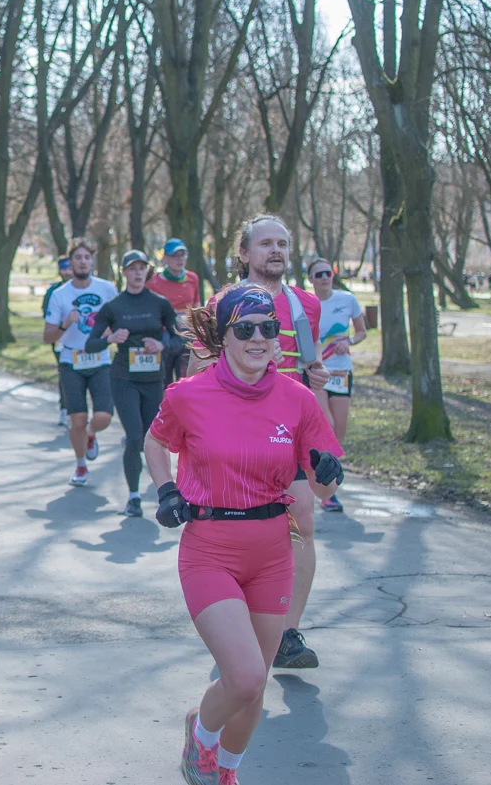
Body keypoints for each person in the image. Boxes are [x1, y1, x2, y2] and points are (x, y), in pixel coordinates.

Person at [144, 283, 343, 785]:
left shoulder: (297, 400)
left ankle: (225, 772)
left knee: (253, 688)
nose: (259, 337)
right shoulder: (189, 395)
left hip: (274, 550)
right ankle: (202, 734)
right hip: (210, 548)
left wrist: (326, 469)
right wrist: (167, 489)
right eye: (246, 328)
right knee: (247, 675)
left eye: (268, 328)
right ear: (223, 336)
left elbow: (322, 487)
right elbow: (154, 440)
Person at [195, 214, 330, 669]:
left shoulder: (305, 305)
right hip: (237, 432)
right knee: (246, 527)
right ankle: (240, 617)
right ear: (244, 253)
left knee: (302, 522)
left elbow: (311, 369)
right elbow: (197, 373)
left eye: (283, 244)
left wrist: (318, 387)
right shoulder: (221, 303)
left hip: (292, 427)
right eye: (266, 243)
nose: (276, 251)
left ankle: (287, 632)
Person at [86, 249, 182, 516]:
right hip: (124, 379)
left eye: (142, 268)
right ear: (125, 272)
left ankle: (161, 492)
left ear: (147, 272)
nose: (138, 272)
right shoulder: (113, 307)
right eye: (132, 268)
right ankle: (134, 496)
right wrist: (110, 338)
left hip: (154, 380)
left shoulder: (160, 304)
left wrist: (161, 344)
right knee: (135, 436)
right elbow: (90, 343)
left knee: (152, 439)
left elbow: (178, 340)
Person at [43, 238, 118, 486]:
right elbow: (47, 337)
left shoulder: (107, 289)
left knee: (104, 417)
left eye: (87, 257)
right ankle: (81, 466)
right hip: (71, 360)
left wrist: (112, 333)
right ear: (70, 262)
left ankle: (91, 434)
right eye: (78, 258)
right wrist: (67, 323)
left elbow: (119, 321)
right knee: (76, 419)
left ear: (92, 261)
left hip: (100, 359)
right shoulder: (60, 295)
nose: (83, 262)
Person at [309, 257, 366, 512]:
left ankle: (328, 486)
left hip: (342, 372)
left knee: (339, 432)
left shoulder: (347, 300)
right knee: (327, 426)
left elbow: (362, 331)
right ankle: (326, 493)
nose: (324, 277)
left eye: (327, 273)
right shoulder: (306, 305)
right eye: (318, 274)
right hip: (318, 373)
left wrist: (350, 342)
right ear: (311, 279)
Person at [147, 238, 201, 385]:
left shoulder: (192, 278)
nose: (179, 259)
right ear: (165, 258)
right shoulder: (153, 281)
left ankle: (183, 406)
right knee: (164, 378)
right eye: (174, 256)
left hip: (187, 334)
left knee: (185, 378)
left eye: (183, 255)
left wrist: (198, 326)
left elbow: (196, 304)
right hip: (164, 335)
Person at [43, 257, 75, 426]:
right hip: (60, 341)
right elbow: (47, 317)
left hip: (81, 341)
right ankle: (65, 408)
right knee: (65, 374)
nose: (67, 272)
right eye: (64, 269)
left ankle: (76, 410)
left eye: (70, 268)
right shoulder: (54, 292)